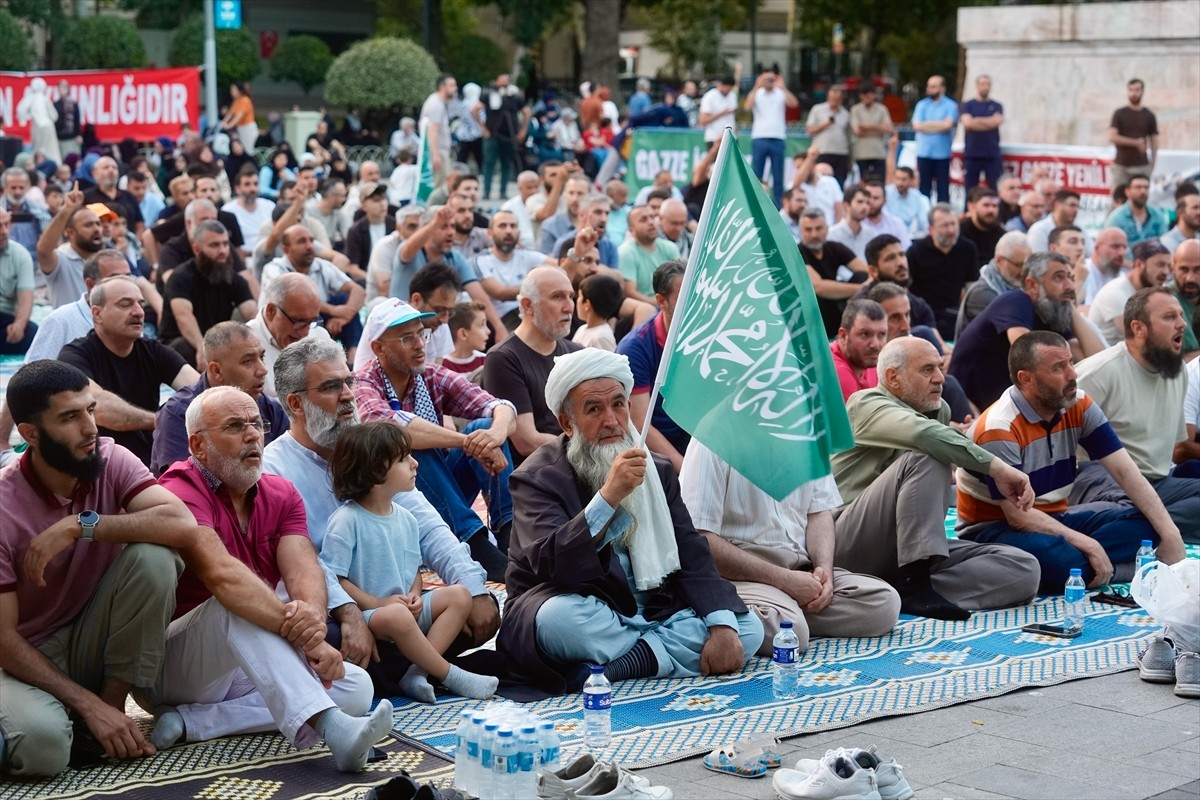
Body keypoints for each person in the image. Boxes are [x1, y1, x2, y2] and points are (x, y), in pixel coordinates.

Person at [0, 361, 224, 777]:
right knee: (45, 748)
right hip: (24, 658)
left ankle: (112, 706)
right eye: (70, 417)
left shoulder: (110, 458)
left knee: (156, 556)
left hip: (91, 641)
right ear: (30, 433)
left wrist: (81, 526)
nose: (90, 427)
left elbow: (183, 526)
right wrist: (86, 705)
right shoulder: (3, 506)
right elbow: (4, 640)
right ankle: (79, 715)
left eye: (90, 409)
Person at [149, 386, 393, 769]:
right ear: (197, 446)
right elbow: (223, 577)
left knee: (356, 688)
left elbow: (304, 569)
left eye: (256, 424)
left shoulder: (279, 492)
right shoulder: (178, 489)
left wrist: (312, 626)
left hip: (244, 658)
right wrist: (311, 643)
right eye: (234, 426)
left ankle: (191, 721)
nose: (252, 435)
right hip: (172, 664)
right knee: (239, 600)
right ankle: (334, 730)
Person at [497, 348, 764, 694]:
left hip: (655, 609)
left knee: (747, 629)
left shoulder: (657, 469)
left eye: (619, 404)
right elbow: (553, 566)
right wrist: (608, 497)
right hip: (581, 604)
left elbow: (692, 551)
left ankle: (622, 665)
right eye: (594, 409)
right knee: (557, 620)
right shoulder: (536, 478)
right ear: (567, 423)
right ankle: (653, 654)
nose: (611, 420)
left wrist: (720, 624)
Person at [262, 337, 500, 694]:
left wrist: (474, 586)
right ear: (295, 402)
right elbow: (305, 563)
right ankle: (418, 670)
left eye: (348, 382)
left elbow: (427, 527)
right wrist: (350, 613)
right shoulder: (275, 468)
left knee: (478, 610)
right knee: (323, 638)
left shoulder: (371, 448)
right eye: (331, 387)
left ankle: (409, 672)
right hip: (334, 611)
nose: (347, 396)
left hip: (396, 608)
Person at [957, 331, 1186, 592]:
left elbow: (1125, 471)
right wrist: (1089, 544)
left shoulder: (1078, 403)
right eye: (1058, 367)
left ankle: (1087, 568)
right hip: (996, 529)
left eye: (1070, 363)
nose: (1072, 374)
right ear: (1026, 379)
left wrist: (1170, 534)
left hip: (1057, 517)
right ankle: (1111, 568)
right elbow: (1019, 518)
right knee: (1058, 560)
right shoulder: (998, 427)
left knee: (1149, 525)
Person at [832, 337, 1041, 619]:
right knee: (926, 454)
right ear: (893, 378)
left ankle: (896, 591)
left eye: (940, 368)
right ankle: (913, 586)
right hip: (845, 543)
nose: (940, 378)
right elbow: (922, 436)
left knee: (1024, 568)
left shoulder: (937, 410)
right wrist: (996, 467)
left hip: (904, 553)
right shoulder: (866, 403)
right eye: (927, 370)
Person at [320, 423, 499, 703]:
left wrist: (415, 595)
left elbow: (413, 570)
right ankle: (449, 674)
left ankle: (417, 672)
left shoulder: (406, 518)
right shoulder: (346, 521)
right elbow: (335, 578)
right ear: (378, 471)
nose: (415, 463)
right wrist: (378, 604)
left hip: (404, 609)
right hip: (373, 615)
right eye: (404, 459)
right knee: (397, 615)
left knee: (460, 595)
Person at [681, 438, 900, 654]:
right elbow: (700, 539)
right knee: (790, 630)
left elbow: (820, 513)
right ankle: (711, 616)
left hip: (799, 567)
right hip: (740, 573)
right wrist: (784, 580)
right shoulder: (711, 439)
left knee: (884, 603)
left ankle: (780, 611)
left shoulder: (804, 433)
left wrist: (824, 574)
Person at [353, 299, 517, 581]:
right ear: (378, 348)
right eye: (407, 338)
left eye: (422, 333)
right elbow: (397, 429)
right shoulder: (363, 382)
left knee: (484, 426)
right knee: (409, 449)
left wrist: (493, 435)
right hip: (393, 500)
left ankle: (510, 535)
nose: (419, 344)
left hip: (440, 489)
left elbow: (500, 407)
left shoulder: (428, 374)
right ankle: (476, 544)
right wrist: (466, 443)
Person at [1072, 288, 1199, 539]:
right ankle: (1145, 528)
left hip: (1158, 484)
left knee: (1140, 517)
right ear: (1138, 328)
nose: (1182, 324)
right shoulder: (1098, 374)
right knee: (1126, 512)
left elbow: (1174, 449)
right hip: (1105, 484)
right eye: (1169, 317)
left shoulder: (1178, 372)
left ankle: (1139, 530)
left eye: (1181, 316)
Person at [58, 276, 199, 466]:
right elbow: (97, 406)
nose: (139, 312)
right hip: (97, 460)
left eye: (141, 304)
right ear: (97, 314)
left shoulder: (154, 351)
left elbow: (202, 393)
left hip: (148, 457)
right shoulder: (75, 355)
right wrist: (163, 420)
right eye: (125, 305)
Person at [951, 252, 1102, 413]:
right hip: (967, 405)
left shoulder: (1052, 311)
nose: (1070, 286)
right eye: (1059, 278)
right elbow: (1029, 355)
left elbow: (1099, 361)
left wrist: (1070, 306)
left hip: (1006, 407)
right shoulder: (1014, 301)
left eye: (1071, 278)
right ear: (1032, 285)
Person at [151, 322, 288, 475]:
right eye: (248, 361)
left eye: (261, 357)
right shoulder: (178, 413)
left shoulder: (271, 408)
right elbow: (182, 484)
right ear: (216, 371)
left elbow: (287, 468)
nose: (263, 370)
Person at [481, 266, 583, 463]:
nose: (569, 307)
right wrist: (587, 448)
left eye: (571, 296)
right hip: (536, 479)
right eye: (557, 297)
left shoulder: (576, 352)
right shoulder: (503, 359)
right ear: (528, 305)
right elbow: (527, 441)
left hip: (577, 464)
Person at [616, 260, 690, 471]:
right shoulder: (634, 349)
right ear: (661, 301)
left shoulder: (706, 335)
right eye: (683, 297)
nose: (693, 304)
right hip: (656, 454)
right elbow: (641, 425)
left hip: (694, 438)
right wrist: (685, 470)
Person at [157, 221, 256, 367]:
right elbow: (184, 316)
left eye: (225, 244)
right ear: (197, 249)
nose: (222, 250)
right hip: (181, 345)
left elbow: (252, 313)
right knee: (184, 348)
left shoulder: (233, 279)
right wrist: (202, 348)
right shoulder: (180, 277)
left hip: (215, 344)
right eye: (214, 245)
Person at [261, 224, 365, 356]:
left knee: (344, 300)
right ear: (286, 250)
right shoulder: (273, 269)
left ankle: (353, 358)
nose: (310, 246)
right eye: (301, 241)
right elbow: (293, 298)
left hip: (317, 322)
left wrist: (343, 317)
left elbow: (358, 290)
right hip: (286, 323)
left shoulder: (321, 265)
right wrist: (334, 310)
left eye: (311, 240)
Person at [246, 273, 333, 398]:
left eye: (312, 321)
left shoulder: (319, 335)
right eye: (299, 322)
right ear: (271, 311)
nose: (306, 332)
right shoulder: (243, 345)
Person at [908, 203, 981, 340]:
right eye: (944, 226)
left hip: (953, 313)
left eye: (954, 224)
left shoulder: (968, 248)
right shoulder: (916, 252)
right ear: (930, 229)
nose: (951, 230)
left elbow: (970, 287)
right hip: (923, 315)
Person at [476, 210, 550, 331]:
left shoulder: (526, 254)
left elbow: (560, 266)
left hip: (529, 311)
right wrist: (539, 286)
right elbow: (500, 293)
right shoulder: (480, 260)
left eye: (513, 226)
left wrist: (576, 255)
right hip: (503, 319)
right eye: (502, 226)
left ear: (519, 232)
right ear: (490, 233)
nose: (509, 231)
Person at [1089, 238, 1172, 345]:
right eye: (1160, 265)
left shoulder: (1156, 289)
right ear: (1138, 264)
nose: (1166, 272)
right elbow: (1141, 337)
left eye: (1168, 266)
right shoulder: (1115, 293)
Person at [36, 183, 104, 309]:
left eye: (98, 224)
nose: (96, 229)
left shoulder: (107, 258)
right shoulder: (61, 259)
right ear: (69, 232)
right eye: (88, 225)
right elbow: (43, 250)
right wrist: (67, 209)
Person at [956, 231, 1031, 340]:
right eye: (1018, 265)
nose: (1024, 271)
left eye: (1027, 265)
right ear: (1000, 260)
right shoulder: (982, 293)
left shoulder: (1020, 286)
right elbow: (1013, 333)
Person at [744, 70, 799, 207]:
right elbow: (746, 107)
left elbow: (794, 104)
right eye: (766, 79)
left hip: (777, 137)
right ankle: (755, 203)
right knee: (757, 174)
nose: (769, 82)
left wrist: (783, 87)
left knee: (778, 175)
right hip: (760, 137)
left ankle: (779, 206)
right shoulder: (757, 93)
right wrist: (757, 86)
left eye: (771, 79)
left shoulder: (780, 93)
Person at [911, 76, 959, 203]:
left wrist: (926, 125)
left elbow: (947, 125)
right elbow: (917, 125)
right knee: (923, 189)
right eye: (929, 86)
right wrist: (939, 125)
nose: (929, 89)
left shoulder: (951, 105)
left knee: (943, 189)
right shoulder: (922, 104)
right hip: (924, 153)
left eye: (933, 86)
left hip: (942, 154)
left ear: (942, 88)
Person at [618, 205, 680, 303]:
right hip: (647, 308)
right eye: (643, 220)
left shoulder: (670, 247)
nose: (651, 222)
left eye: (652, 217)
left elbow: (681, 281)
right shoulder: (626, 252)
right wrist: (660, 304)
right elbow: (629, 292)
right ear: (631, 230)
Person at [830, 299, 888, 401]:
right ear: (843, 336)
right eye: (865, 334)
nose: (875, 344)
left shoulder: (868, 361)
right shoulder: (835, 371)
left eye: (881, 334)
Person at [482, 74, 527, 200]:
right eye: (502, 80)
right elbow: (475, 109)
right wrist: (483, 128)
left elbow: (526, 112)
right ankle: (486, 190)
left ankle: (503, 190)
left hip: (509, 135)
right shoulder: (489, 94)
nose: (504, 83)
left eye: (506, 81)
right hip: (493, 134)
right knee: (489, 163)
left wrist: (523, 130)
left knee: (506, 164)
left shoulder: (514, 96)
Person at [959, 75, 1005, 198]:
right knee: (970, 190)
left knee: (994, 189)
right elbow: (968, 124)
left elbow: (997, 122)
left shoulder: (997, 106)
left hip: (992, 154)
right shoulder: (967, 105)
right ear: (977, 86)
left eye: (988, 84)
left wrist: (976, 121)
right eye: (983, 84)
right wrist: (989, 122)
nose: (985, 87)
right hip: (972, 154)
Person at [1108, 79, 1158, 190]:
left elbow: (1154, 141)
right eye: (1131, 90)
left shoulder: (1149, 115)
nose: (1133, 93)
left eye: (1137, 90)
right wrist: (1135, 143)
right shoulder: (1120, 113)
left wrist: (1152, 164)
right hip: (1121, 166)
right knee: (1118, 199)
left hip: (1141, 166)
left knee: (1140, 200)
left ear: (1142, 91)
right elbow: (1112, 136)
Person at [0, 208, 36, 355]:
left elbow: (26, 297)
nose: (4, 231)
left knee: (33, 334)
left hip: (5, 316)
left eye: (6, 225)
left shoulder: (21, 255)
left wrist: (19, 325)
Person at [221, 165, 275, 256]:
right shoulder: (227, 211)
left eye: (255, 184)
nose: (252, 189)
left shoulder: (270, 206)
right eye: (247, 184)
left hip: (269, 254)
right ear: (237, 189)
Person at [83, 158, 143, 236]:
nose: (111, 170)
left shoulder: (128, 196)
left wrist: (134, 244)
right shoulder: (86, 197)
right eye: (106, 167)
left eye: (114, 168)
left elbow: (140, 224)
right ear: (95, 173)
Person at [344, 183, 394, 278]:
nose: (382, 204)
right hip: (367, 280)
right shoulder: (355, 231)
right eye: (376, 200)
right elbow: (353, 268)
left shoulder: (396, 226)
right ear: (364, 206)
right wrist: (373, 281)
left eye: (384, 199)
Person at [806, 85, 851, 186]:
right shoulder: (817, 110)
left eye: (838, 98)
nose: (835, 100)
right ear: (828, 96)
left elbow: (849, 137)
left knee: (839, 183)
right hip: (822, 151)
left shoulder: (846, 114)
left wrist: (850, 159)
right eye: (832, 97)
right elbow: (810, 130)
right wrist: (825, 124)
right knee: (820, 181)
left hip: (841, 153)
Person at [1105, 175, 1169, 246]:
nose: (1143, 191)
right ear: (1127, 192)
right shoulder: (1116, 218)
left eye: (1146, 188)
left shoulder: (1158, 216)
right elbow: (1109, 245)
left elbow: (1165, 243)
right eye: (1138, 187)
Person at [1, 167, 51, 254]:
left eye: (21, 188)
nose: (18, 192)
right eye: (13, 188)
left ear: (28, 187)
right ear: (4, 187)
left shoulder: (39, 210)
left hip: (33, 263)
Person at [850, 82, 892, 183]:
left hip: (879, 152)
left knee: (880, 181)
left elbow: (889, 129)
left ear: (874, 95)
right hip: (862, 153)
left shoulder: (882, 109)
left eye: (868, 94)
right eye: (863, 95)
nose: (866, 97)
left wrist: (870, 126)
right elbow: (858, 131)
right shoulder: (855, 110)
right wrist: (879, 130)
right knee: (863, 181)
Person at [1027, 189, 1091, 255]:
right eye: (1072, 205)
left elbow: (1090, 253)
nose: (1076, 210)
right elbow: (1039, 260)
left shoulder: (1079, 228)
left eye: (1078, 206)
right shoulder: (1039, 230)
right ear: (1057, 205)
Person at [1080, 227, 1130, 307]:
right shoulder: (1082, 271)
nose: (1121, 253)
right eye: (1115, 246)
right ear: (1097, 248)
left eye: (1124, 248)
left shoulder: (1123, 278)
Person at [573, 273, 624, 351]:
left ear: (587, 304)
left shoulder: (602, 336)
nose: (577, 301)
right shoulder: (582, 329)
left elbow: (609, 362)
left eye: (579, 296)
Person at [421, 74, 457, 183]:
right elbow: (432, 129)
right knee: (441, 186)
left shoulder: (437, 102)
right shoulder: (436, 104)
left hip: (440, 151)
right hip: (439, 152)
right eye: (452, 85)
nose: (455, 88)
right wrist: (435, 154)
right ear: (442, 87)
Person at [958, 186, 1005, 266]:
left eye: (994, 206)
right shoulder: (959, 232)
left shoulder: (1002, 235)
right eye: (986, 205)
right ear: (972, 207)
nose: (991, 210)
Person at [1168, 239, 1200, 356]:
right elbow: (1173, 362)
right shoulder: (1164, 300)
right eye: (1184, 269)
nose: (1190, 278)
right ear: (1173, 268)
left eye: (1198, 269)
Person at [827, 185, 875, 261]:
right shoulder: (831, 234)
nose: (865, 207)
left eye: (868, 203)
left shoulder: (871, 235)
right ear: (847, 205)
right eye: (860, 202)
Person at [441, 301, 489, 375]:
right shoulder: (441, 365)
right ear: (463, 334)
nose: (488, 331)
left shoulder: (486, 361)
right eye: (481, 325)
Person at [884, 166, 930, 238]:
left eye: (904, 179)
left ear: (911, 180)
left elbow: (923, 220)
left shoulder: (916, 196)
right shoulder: (886, 193)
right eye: (897, 178)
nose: (900, 183)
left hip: (910, 236)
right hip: (889, 235)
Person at [699, 74, 740, 146]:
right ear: (721, 85)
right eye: (727, 89)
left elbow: (734, 118)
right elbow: (703, 120)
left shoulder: (732, 95)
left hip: (731, 138)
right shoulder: (710, 96)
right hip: (714, 138)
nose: (728, 91)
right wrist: (722, 113)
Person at [223, 82, 259, 153]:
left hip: (248, 128)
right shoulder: (236, 101)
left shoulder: (245, 100)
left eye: (233, 90)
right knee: (242, 148)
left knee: (249, 149)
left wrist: (229, 125)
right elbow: (230, 113)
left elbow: (239, 116)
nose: (231, 92)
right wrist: (223, 122)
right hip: (240, 128)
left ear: (239, 91)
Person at [54, 79, 83, 157]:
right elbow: (55, 122)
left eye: (64, 87)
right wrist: (55, 137)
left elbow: (77, 119)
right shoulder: (56, 104)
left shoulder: (73, 103)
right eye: (60, 87)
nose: (62, 89)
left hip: (72, 137)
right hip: (60, 138)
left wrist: (79, 135)